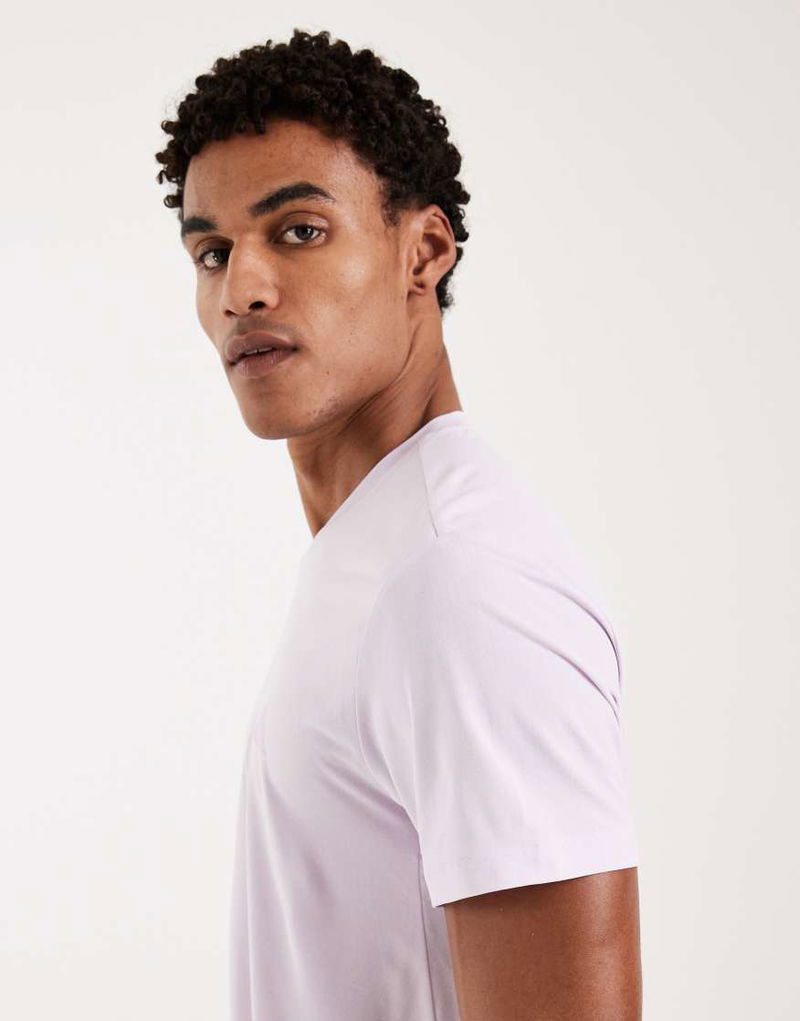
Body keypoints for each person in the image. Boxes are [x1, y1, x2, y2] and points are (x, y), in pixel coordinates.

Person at [155, 27, 642, 1020]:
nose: (242, 288)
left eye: (298, 231)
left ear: (421, 252)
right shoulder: (380, 556)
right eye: (212, 251)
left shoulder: (460, 582)